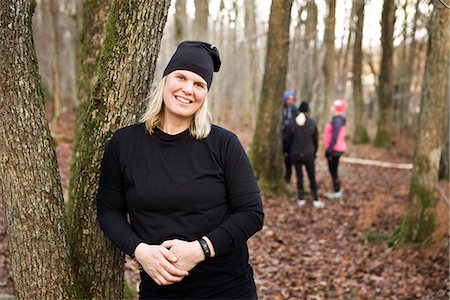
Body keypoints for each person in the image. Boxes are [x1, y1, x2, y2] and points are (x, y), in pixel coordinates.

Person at [96, 41, 264, 299]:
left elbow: (251, 213)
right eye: (181, 77)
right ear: (165, 80)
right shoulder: (125, 143)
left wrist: (200, 250)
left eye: (199, 84)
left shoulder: (223, 144)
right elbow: (109, 211)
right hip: (159, 290)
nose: (188, 89)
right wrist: (140, 251)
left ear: (205, 94)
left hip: (226, 289)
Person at [287, 101, 324, 208]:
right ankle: (315, 199)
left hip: (295, 154)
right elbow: (315, 139)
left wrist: (288, 152)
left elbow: (287, 140)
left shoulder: (292, 123)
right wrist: (315, 151)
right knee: (312, 176)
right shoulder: (312, 122)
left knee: (299, 176)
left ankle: (301, 198)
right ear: (308, 110)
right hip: (309, 154)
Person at [323, 99, 348, 199]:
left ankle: (337, 191)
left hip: (335, 149)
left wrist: (329, 149)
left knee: (333, 170)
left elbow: (335, 136)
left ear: (336, 108)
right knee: (333, 170)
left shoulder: (337, 120)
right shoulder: (336, 119)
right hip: (335, 148)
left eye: (332, 106)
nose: (331, 108)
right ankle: (336, 190)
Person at [282, 91, 299, 182]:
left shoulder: (295, 109)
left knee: (289, 158)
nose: (290, 101)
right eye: (289, 99)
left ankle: (288, 177)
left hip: (291, 138)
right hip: (283, 137)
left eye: (292, 99)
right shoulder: (281, 109)